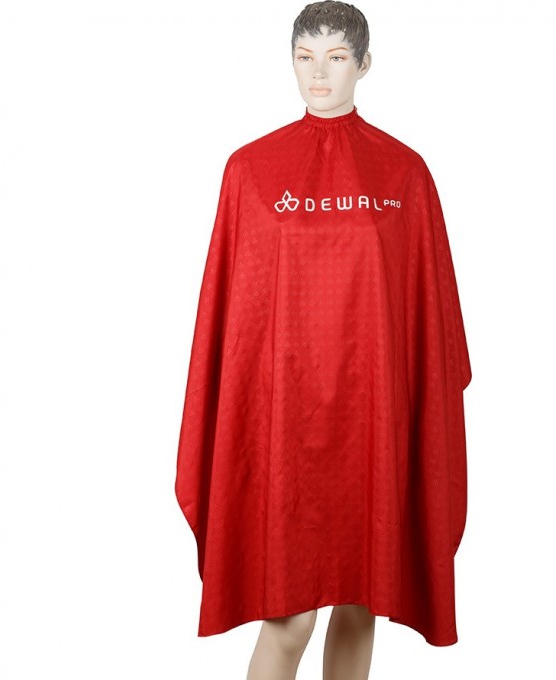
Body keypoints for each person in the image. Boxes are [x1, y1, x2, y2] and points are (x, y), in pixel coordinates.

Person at [175, 3, 472, 679]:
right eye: (305, 57)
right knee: (290, 618)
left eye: (336, 57)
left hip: (374, 417)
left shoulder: (404, 173)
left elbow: (428, 319)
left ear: (364, 65)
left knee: (363, 602)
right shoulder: (250, 170)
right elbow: (234, 319)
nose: (319, 73)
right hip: (283, 422)